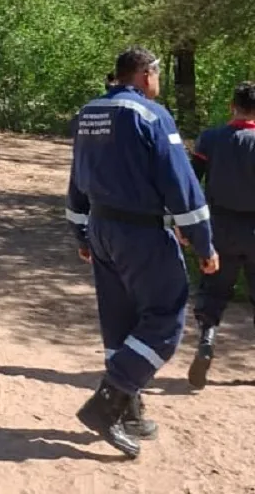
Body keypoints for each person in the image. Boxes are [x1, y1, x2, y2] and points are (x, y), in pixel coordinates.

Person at [65, 46, 218, 458]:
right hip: (140, 232)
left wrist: (81, 234)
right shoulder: (152, 115)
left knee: (119, 320)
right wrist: (203, 243)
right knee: (166, 317)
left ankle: (130, 411)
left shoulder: (88, 113)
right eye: (157, 75)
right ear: (146, 74)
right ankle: (108, 402)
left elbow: (77, 179)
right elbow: (181, 185)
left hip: (101, 228)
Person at [186, 81, 255, 389]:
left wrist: (185, 225)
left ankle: (207, 340)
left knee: (214, 290)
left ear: (232, 106)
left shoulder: (211, 139)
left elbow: (189, 182)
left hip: (220, 229)